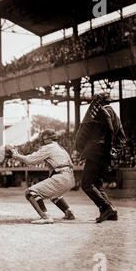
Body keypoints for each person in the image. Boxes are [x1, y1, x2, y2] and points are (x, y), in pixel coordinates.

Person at [76, 93, 126, 223]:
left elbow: (109, 130)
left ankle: (106, 207)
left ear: (101, 102)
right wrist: (113, 152)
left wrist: (106, 148)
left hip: (96, 152)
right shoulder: (116, 116)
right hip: (104, 154)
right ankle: (111, 213)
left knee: (86, 184)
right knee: (97, 184)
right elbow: (122, 137)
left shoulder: (102, 111)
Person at [7, 129, 75, 224]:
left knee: (30, 193)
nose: (42, 140)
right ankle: (68, 212)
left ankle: (45, 216)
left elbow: (29, 160)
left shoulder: (48, 147)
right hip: (70, 177)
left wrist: (15, 155)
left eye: (43, 138)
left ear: (48, 139)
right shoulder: (61, 148)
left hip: (61, 177)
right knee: (54, 195)